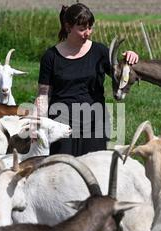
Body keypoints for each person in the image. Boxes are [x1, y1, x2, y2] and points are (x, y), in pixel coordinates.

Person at [35, 3, 138, 157]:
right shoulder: (51, 57)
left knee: (94, 172)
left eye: (90, 27)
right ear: (68, 27)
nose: (87, 33)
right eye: (82, 29)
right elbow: (43, 95)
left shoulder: (100, 52)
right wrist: (40, 125)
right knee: (61, 171)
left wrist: (129, 60)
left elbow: (123, 78)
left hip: (95, 123)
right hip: (61, 125)